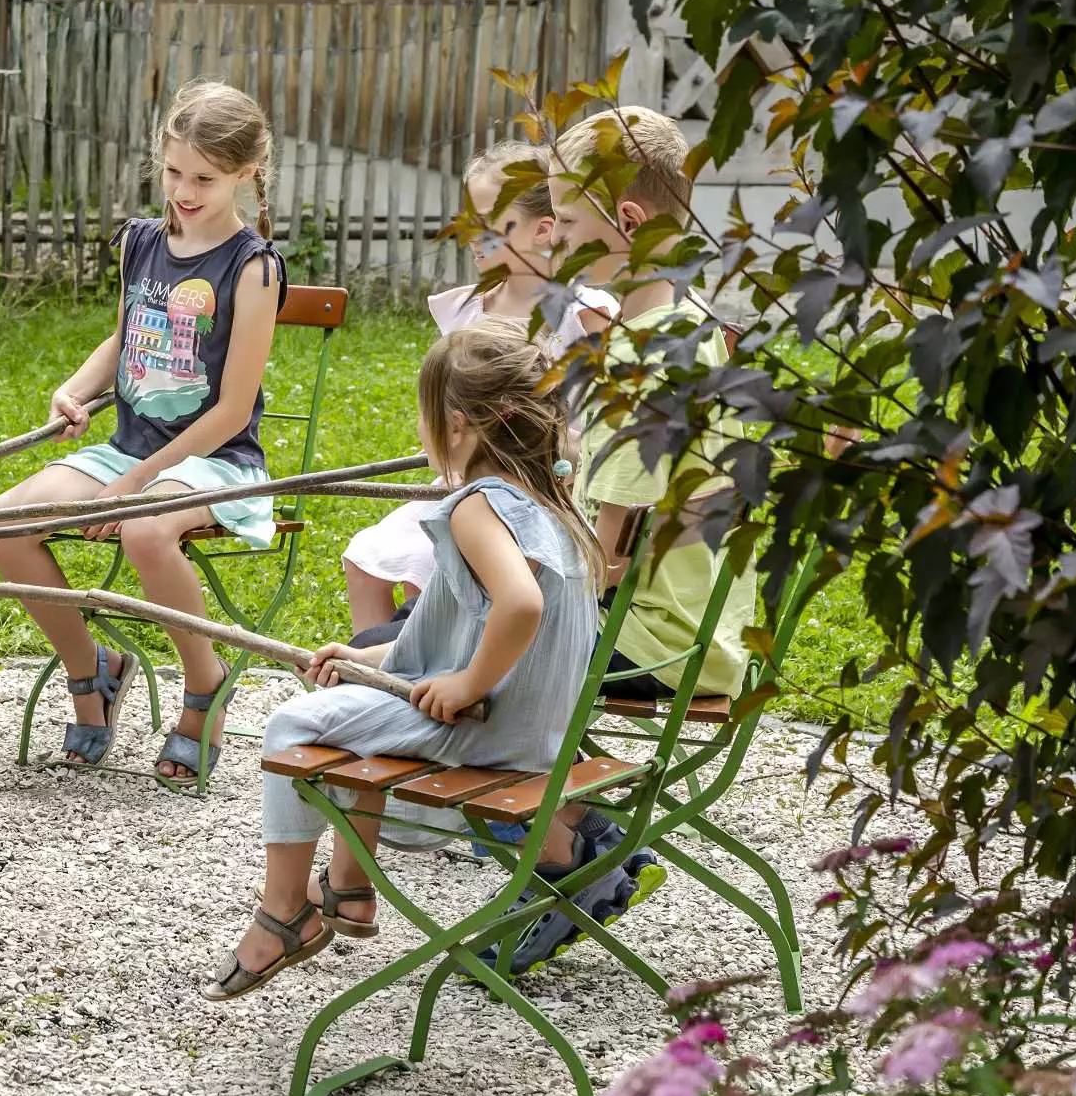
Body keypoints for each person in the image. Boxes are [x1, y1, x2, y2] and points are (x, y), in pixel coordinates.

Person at [219, 322, 621, 996]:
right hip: (536, 726)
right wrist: (366, 654)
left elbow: (520, 606)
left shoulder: (477, 506)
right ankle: (348, 890)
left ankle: (284, 911)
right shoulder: (550, 502)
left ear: (457, 427)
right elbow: (468, 620)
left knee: (292, 727)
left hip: (489, 727)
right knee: (347, 716)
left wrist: (466, 682)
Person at [0, 82, 283, 779]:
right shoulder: (144, 242)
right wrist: (75, 388)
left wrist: (135, 486)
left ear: (245, 171)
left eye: (203, 178)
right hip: (129, 449)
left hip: (215, 461)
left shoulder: (253, 267)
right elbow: (122, 342)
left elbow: (233, 410)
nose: (183, 189)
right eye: (173, 171)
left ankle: (205, 683)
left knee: (147, 528)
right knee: (1, 523)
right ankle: (93, 670)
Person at [340, 141, 617, 643]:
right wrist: (450, 454)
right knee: (369, 556)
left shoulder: (583, 317)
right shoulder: (466, 312)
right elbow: (445, 410)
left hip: (545, 499)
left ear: (544, 229)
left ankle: (438, 665)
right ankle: (387, 687)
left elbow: (596, 431)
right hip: (462, 488)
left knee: (433, 561)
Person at [549, 105, 745, 704]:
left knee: (439, 641)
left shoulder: (648, 365)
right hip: (685, 627)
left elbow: (609, 561)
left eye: (563, 219)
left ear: (629, 223)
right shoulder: (686, 327)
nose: (552, 236)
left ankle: (563, 798)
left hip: (647, 637)